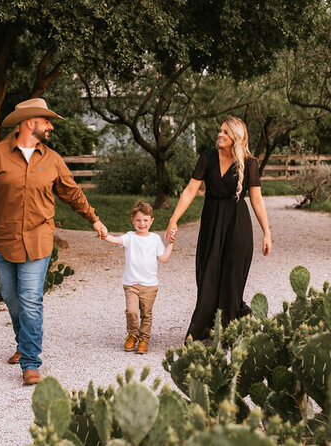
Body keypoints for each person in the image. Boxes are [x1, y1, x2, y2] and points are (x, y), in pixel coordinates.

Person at [0, 98, 108, 386]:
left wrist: (94, 219)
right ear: (29, 123)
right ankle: (22, 342)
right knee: (12, 299)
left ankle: (31, 362)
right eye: (46, 121)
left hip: (38, 239)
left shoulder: (52, 160)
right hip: (3, 239)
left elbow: (72, 193)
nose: (50, 127)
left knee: (31, 301)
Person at [165, 116, 271, 342]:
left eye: (225, 132)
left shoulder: (249, 163)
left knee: (232, 279)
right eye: (220, 131)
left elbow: (257, 200)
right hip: (211, 223)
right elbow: (190, 191)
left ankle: (228, 333)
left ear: (236, 137)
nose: (220, 135)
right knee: (208, 277)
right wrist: (174, 220)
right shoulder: (207, 159)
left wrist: (267, 233)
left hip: (237, 224)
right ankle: (202, 331)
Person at [103, 200, 174, 355]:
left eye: (145, 220)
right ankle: (132, 334)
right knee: (131, 311)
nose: (142, 224)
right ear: (132, 220)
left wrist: (170, 244)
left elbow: (163, 258)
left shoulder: (155, 239)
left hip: (150, 285)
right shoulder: (130, 237)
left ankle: (144, 339)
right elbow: (116, 240)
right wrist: (105, 235)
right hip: (131, 284)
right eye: (138, 220)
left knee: (146, 314)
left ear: (151, 221)